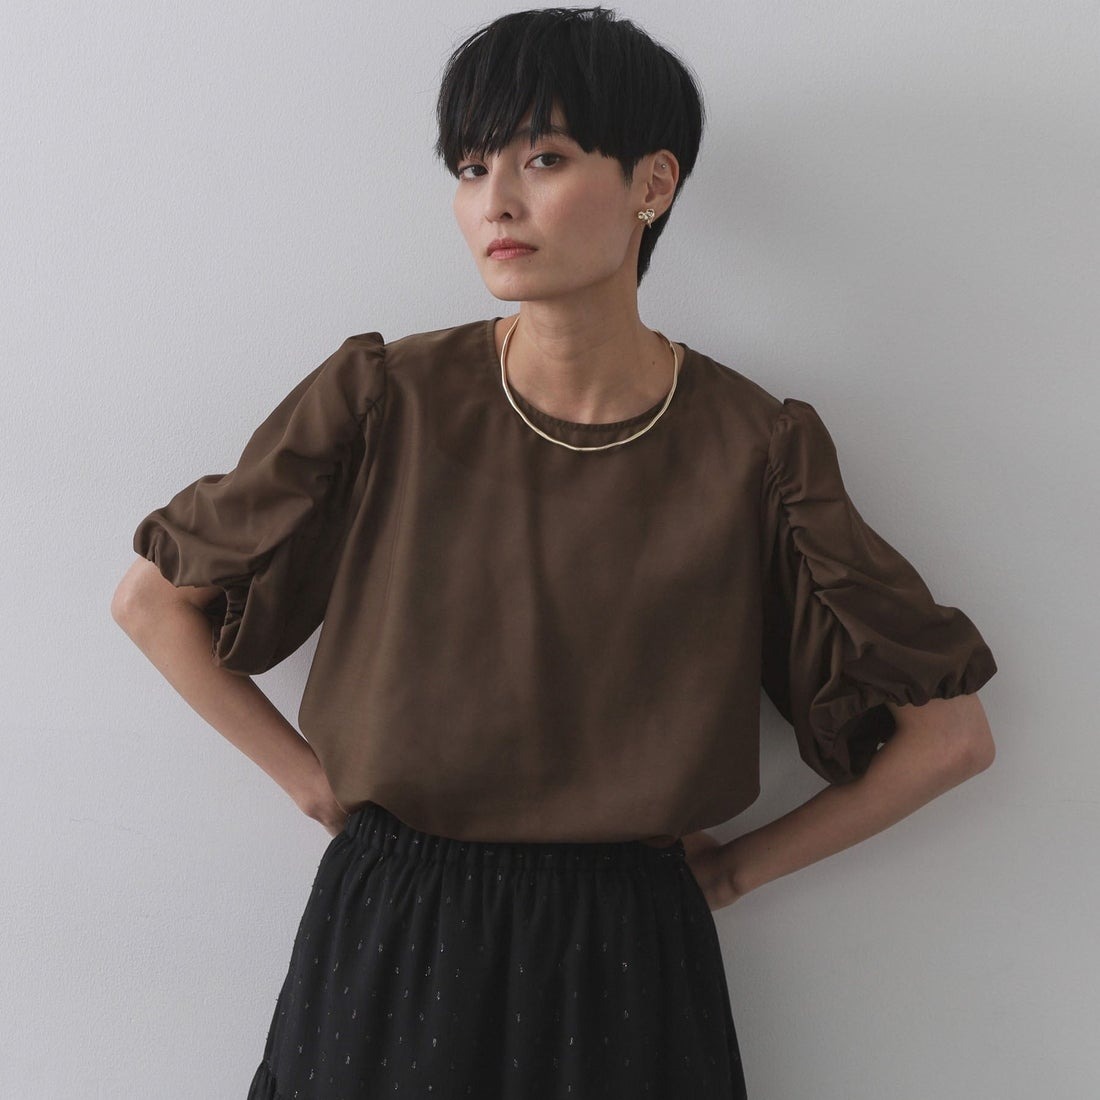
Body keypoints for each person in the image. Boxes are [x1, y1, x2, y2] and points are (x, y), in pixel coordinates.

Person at [111, 7, 998, 1098]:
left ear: (652, 184)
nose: (495, 200)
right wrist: (309, 783)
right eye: (470, 166)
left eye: (543, 158)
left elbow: (949, 736)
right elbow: (152, 601)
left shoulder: (755, 447)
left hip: (627, 953)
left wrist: (732, 874)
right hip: (395, 933)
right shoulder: (383, 399)